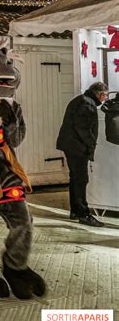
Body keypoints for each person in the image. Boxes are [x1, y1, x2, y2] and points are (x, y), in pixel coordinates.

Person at [57, 81, 109, 227]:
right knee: (81, 179)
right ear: (100, 94)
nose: (105, 99)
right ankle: (83, 213)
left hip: (71, 146)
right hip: (77, 147)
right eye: (105, 96)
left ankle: (75, 210)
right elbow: (83, 128)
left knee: (75, 178)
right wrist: (91, 143)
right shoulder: (87, 104)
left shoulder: (82, 100)